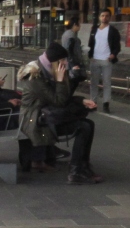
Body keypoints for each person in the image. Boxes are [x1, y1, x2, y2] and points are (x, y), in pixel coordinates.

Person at [17, 43, 102, 183]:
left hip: (45, 115)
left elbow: (62, 98)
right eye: (63, 60)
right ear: (54, 62)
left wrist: (81, 100)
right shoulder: (34, 76)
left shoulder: (48, 71)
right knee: (83, 127)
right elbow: (58, 101)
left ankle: (83, 166)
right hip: (34, 120)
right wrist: (60, 80)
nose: (66, 63)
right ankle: (75, 171)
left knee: (89, 124)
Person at [87, 9, 121, 113]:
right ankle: (93, 103)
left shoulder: (113, 31)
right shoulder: (94, 29)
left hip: (106, 60)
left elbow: (117, 46)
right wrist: (90, 55)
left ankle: (106, 104)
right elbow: (91, 43)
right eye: (102, 15)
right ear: (99, 17)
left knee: (107, 83)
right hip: (95, 59)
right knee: (94, 82)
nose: (104, 18)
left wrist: (113, 55)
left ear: (109, 17)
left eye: (106, 16)